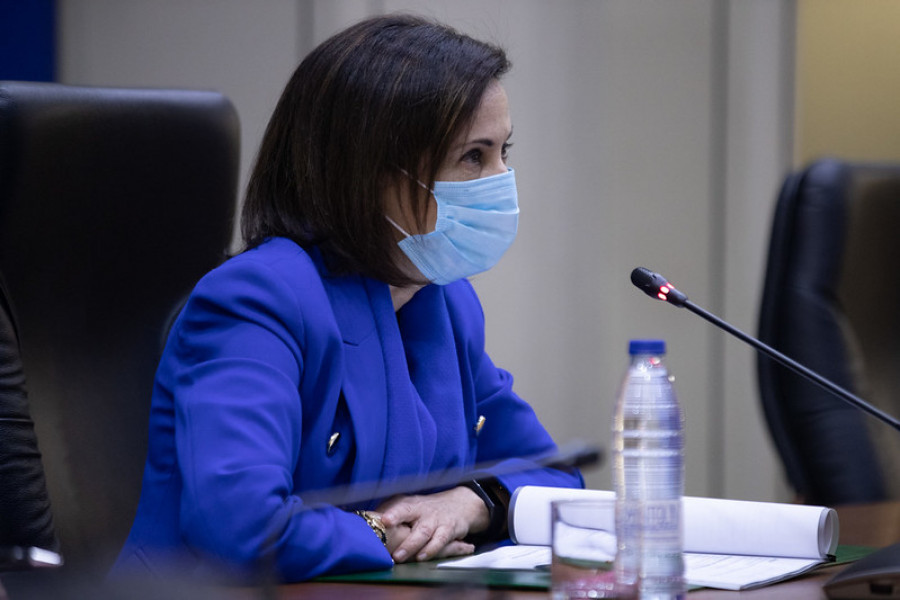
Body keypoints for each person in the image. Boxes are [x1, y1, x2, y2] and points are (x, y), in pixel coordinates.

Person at [111, 13, 583, 583]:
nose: (501, 179)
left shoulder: (443, 301)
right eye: (474, 157)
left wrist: (471, 502)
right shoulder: (257, 300)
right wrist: (386, 533)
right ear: (373, 173)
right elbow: (240, 524)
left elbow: (556, 475)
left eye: (504, 151)